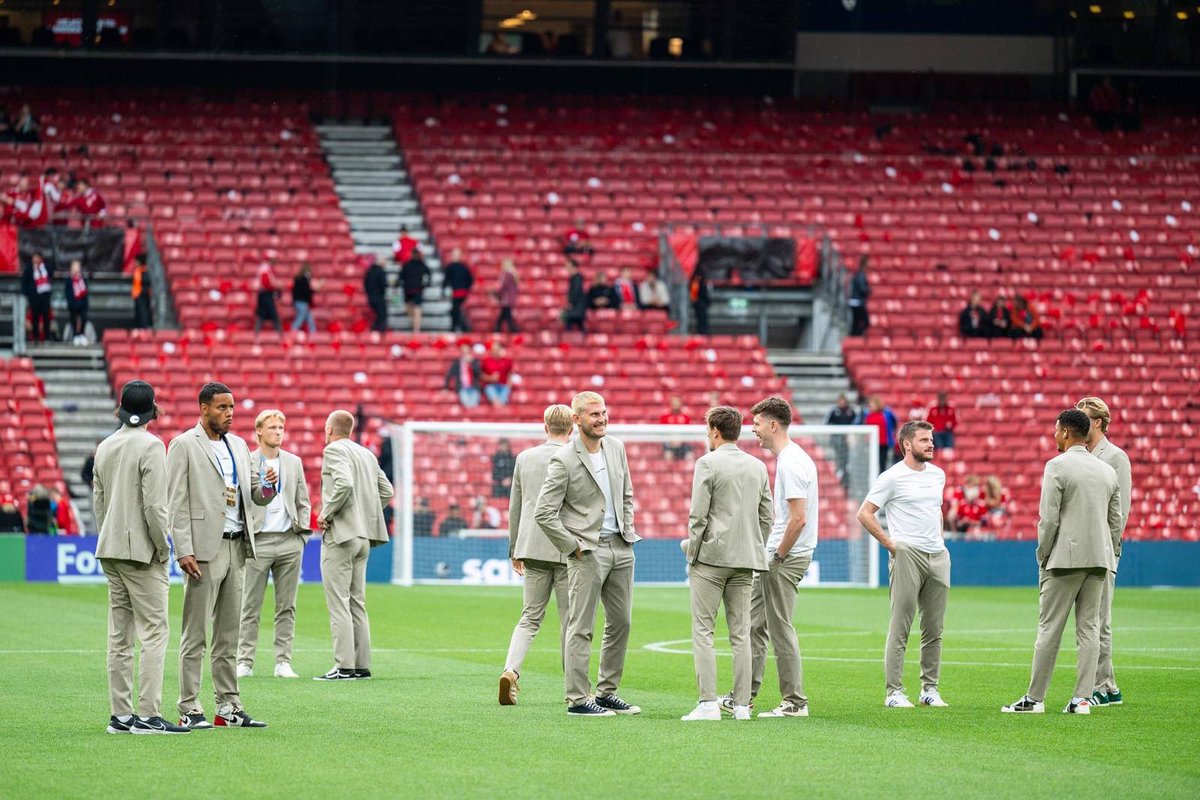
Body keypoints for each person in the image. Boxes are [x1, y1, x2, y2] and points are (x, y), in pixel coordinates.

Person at [168, 382, 274, 729]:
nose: (229, 414)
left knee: (229, 634)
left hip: (237, 546)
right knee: (195, 633)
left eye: (231, 408)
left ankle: (228, 706)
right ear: (203, 408)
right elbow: (176, 501)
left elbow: (252, 495)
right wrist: (183, 548)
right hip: (203, 550)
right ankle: (188, 707)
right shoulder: (183, 445)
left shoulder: (240, 446)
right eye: (221, 408)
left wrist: (268, 487)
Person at [1002, 409, 1122, 715]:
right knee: (1089, 629)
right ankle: (1082, 699)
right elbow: (1115, 521)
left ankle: (1034, 699)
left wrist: (1043, 553)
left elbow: (1049, 519)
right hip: (1099, 560)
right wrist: (1108, 553)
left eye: (1057, 430)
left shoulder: (1056, 466)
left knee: (1049, 628)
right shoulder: (1107, 471)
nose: (1055, 435)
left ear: (1067, 433)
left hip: (1064, 560)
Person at [534, 391, 641, 717]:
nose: (602, 419)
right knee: (581, 626)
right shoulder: (564, 460)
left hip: (621, 546)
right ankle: (578, 699)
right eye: (594, 414)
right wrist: (573, 546)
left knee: (621, 622)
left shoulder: (616, 448)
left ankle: (607, 692)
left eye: (604, 412)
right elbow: (544, 513)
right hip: (587, 553)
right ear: (576, 420)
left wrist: (628, 528)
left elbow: (626, 492)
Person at [92, 380, 189, 734]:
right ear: (152, 410)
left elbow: (99, 504)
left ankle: (121, 716)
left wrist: (111, 536)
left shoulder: (105, 446)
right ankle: (148, 715)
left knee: (119, 636)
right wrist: (163, 548)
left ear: (121, 408)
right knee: (154, 633)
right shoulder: (151, 445)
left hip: (112, 548)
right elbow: (154, 506)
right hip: (142, 553)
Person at [681, 406, 772, 722]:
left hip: (711, 559)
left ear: (715, 431)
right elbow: (766, 518)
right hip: (745, 559)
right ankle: (742, 707)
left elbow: (698, 516)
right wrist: (751, 545)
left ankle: (708, 704)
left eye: (708, 430)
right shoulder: (758, 466)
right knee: (741, 634)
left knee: (703, 630)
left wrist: (692, 553)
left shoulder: (707, 463)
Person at [732, 396, 819, 718]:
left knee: (779, 627)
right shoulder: (791, 459)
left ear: (773, 425)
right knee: (755, 624)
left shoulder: (792, 462)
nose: (753, 430)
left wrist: (778, 556)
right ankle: (743, 696)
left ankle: (795, 702)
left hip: (786, 557)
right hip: (779, 554)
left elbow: (798, 518)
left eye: (756, 424)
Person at [858, 420, 950, 709]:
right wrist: (892, 545)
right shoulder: (892, 477)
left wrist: (941, 540)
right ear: (907, 445)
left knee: (934, 628)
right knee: (901, 626)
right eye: (924, 440)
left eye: (931, 439)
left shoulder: (938, 475)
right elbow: (865, 513)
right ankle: (894, 692)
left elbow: (936, 511)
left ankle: (930, 689)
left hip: (938, 554)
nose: (931, 444)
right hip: (907, 553)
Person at [499, 405, 574, 705]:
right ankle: (576, 690)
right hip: (568, 547)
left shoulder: (525, 457)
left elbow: (516, 504)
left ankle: (511, 671)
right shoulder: (576, 457)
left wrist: (514, 547)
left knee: (529, 617)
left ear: (545, 426)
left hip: (531, 545)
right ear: (572, 427)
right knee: (571, 621)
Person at [314, 410, 394, 681]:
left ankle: (344, 665)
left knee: (338, 602)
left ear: (329, 429)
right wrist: (364, 512)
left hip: (342, 537)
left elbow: (344, 483)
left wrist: (327, 512)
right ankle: (361, 665)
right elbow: (387, 491)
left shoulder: (333, 451)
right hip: (363, 538)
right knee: (357, 602)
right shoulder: (366, 454)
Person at [237, 409, 312, 681]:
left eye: (281, 427)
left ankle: (283, 661)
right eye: (272, 427)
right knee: (250, 605)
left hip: (289, 541)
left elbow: (303, 500)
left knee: (287, 606)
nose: (278, 432)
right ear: (259, 431)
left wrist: (301, 535)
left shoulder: (293, 462)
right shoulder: (247, 461)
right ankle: (244, 660)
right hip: (259, 541)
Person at [1075, 396, 1132, 708]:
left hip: (1104, 550)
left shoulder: (1115, 458)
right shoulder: (1083, 454)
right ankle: (1109, 688)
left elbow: (1120, 512)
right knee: (1094, 619)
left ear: (1097, 422)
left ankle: (1101, 686)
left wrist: (1107, 550)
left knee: (1099, 620)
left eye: (1084, 417)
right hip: (1085, 550)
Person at [824, 393, 859, 485]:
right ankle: (840, 470)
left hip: (848, 439)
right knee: (839, 456)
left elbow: (857, 424)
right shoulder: (834, 411)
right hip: (837, 438)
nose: (842, 403)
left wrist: (851, 435)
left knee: (847, 457)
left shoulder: (851, 411)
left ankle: (845, 472)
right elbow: (827, 423)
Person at [21, 252, 53, 344]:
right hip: (34, 297)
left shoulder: (45, 267)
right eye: (34, 258)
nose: (35, 260)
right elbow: (24, 281)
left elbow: (51, 273)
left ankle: (47, 337)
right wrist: (27, 294)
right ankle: (35, 337)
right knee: (35, 317)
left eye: (37, 258)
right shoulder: (29, 268)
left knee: (46, 317)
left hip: (45, 296)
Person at [442, 248, 474, 332]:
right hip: (457, 292)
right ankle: (458, 326)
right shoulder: (452, 267)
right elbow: (446, 279)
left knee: (456, 310)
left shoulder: (463, 267)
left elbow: (470, 279)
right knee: (456, 310)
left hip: (461, 292)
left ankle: (457, 326)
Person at [400, 248, 431, 333]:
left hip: (414, 289)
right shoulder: (410, 265)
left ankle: (416, 328)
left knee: (415, 308)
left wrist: (427, 284)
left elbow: (428, 274)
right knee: (413, 308)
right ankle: (415, 325)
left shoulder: (417, 265)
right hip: (412, 289)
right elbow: (401, 276)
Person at [863, 396, 898, 471]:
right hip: (873, 443)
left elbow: (894, 422)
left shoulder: (886, 414)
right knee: (873, 462)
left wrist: (893, 433)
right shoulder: (868, 415)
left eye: (872, 404)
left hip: (884, 442)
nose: (871, 406)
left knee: (883, 462)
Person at [443, 344, 483, 408]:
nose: (465, 353)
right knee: (467, 404)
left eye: (467, 351)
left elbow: (478, 373)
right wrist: (445, 388)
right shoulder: (457, 362)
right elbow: (449, 375)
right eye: (463, 351)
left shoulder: (475, 361)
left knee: (474, 405)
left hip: (474, 388)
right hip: (462, 388)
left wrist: (471, 363)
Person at [254, 260, 283, 334]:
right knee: (269, 315)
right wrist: (275, 286)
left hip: (266, 294)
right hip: (265, 295)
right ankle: (279, 333)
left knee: (263, 315)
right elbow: (266, 283)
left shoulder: (267, 269)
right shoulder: (265, 269)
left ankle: (279, 333)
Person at [65, 260, 89, 346]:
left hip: (82, 303)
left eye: (77, 266)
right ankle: (75, 335)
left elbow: (86, 292)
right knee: (74, 319)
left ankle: (82, 334)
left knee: (84, 318)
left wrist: (86, 303)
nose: (76, 268)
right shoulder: (69, 279)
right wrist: (70, 303)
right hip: (73, 303)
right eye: (74, 266)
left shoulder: (83, 279)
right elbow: (67, 293)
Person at [363, 256, 388, 333]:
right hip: (379, 296)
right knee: (382, 315)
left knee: (377, 315)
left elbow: (365, 283)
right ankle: (378, 331)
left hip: (371, 296)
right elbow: (383, 284)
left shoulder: (369, 271)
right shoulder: (381, 271)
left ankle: (374, 329)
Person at [291, 263, 317, 334]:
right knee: (302, 316)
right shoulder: (305, 280)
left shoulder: (297, 279)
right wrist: (314, 290)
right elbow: (307, 291)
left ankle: (313, 332)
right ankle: (293, 329)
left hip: (297, 300)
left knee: (309, 317)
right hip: (302, 301)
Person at [848, 256, 871, 336]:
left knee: (856, 321)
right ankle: (857, 336)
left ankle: (855, 336)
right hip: (858, 302)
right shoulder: (861, 275)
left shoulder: (858, 274)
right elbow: (862, 288)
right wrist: (868, 290)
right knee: (865, 321)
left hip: (855, 301)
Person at [495, 259, 519, 332]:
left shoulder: (507, 274)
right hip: (510, 297)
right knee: (504, 314)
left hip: (506, 298)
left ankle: (511, 329)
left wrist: (495, 292)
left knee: (506, 315)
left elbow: (502, 286)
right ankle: (498, 328)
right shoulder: (513, 274)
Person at [563, 259, 587, 332]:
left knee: (570, 326)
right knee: (579, 326)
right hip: (577, 308)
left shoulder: (577, 278)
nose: (567, 269)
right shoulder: (575, 278)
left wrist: (571, 303)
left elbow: (576, 292)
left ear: (574, 267)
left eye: (568, 267)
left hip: (576, 308)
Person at [132, 256, 153, 329]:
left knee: (143, 312)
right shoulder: (138, 271)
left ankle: (144, 326)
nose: (135, 263)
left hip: (143, 294)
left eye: (136, 262)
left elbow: (147, 282)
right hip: (138, 294)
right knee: (139, 312)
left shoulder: (144, 271)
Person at [689, 269, 712, 335]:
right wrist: (696, 302)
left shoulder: (699, 280)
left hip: (702, 303)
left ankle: (703, 331)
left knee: (703, 320)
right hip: (700, 303)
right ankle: (702, 332)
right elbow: (694, 294)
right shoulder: (697, 279)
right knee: (701, 320)